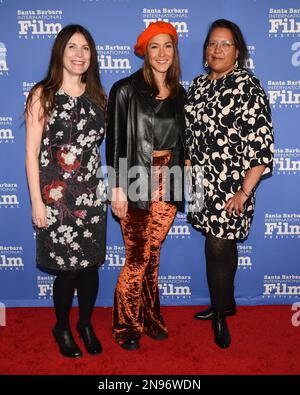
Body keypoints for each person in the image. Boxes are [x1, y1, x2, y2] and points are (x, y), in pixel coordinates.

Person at [185, 19, 274, 349]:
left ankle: (220, 317)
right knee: (216, 246)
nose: (217, 49)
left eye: (224, 44)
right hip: (200, 184)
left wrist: (245, 191)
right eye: (211, 43)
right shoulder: (196, 86)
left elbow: (261, 145)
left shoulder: (248, 86)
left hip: (233, 186)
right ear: (205, 51)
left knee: (218, 245)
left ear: (237, 51)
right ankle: (226, 302)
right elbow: (190, 137)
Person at [25, 24, 107, 358]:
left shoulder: (98, 95)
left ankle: (85, 324)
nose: (78, 54)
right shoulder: (42, 94)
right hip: (56, 198)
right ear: (61, 51)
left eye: (85, 48)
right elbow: (31, 153)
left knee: (90, 267)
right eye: (72, 47)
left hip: (91, 197)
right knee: (69, 269)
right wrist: (37, 203)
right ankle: (61, 326)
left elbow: (104, 150)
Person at [106, 21, 186, 350]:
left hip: (172, 177)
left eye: (168, 45)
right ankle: (125, 326)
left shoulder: (182, 92)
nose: (162, 53)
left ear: (174, 51)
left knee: (153, 255)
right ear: (144, 52)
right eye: (154, 46)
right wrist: (116, 188)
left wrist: (185, 184)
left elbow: (186, 143)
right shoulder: (125, 89)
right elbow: (113, 143)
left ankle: (150, 317)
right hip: (136, 175)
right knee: (137, 258)